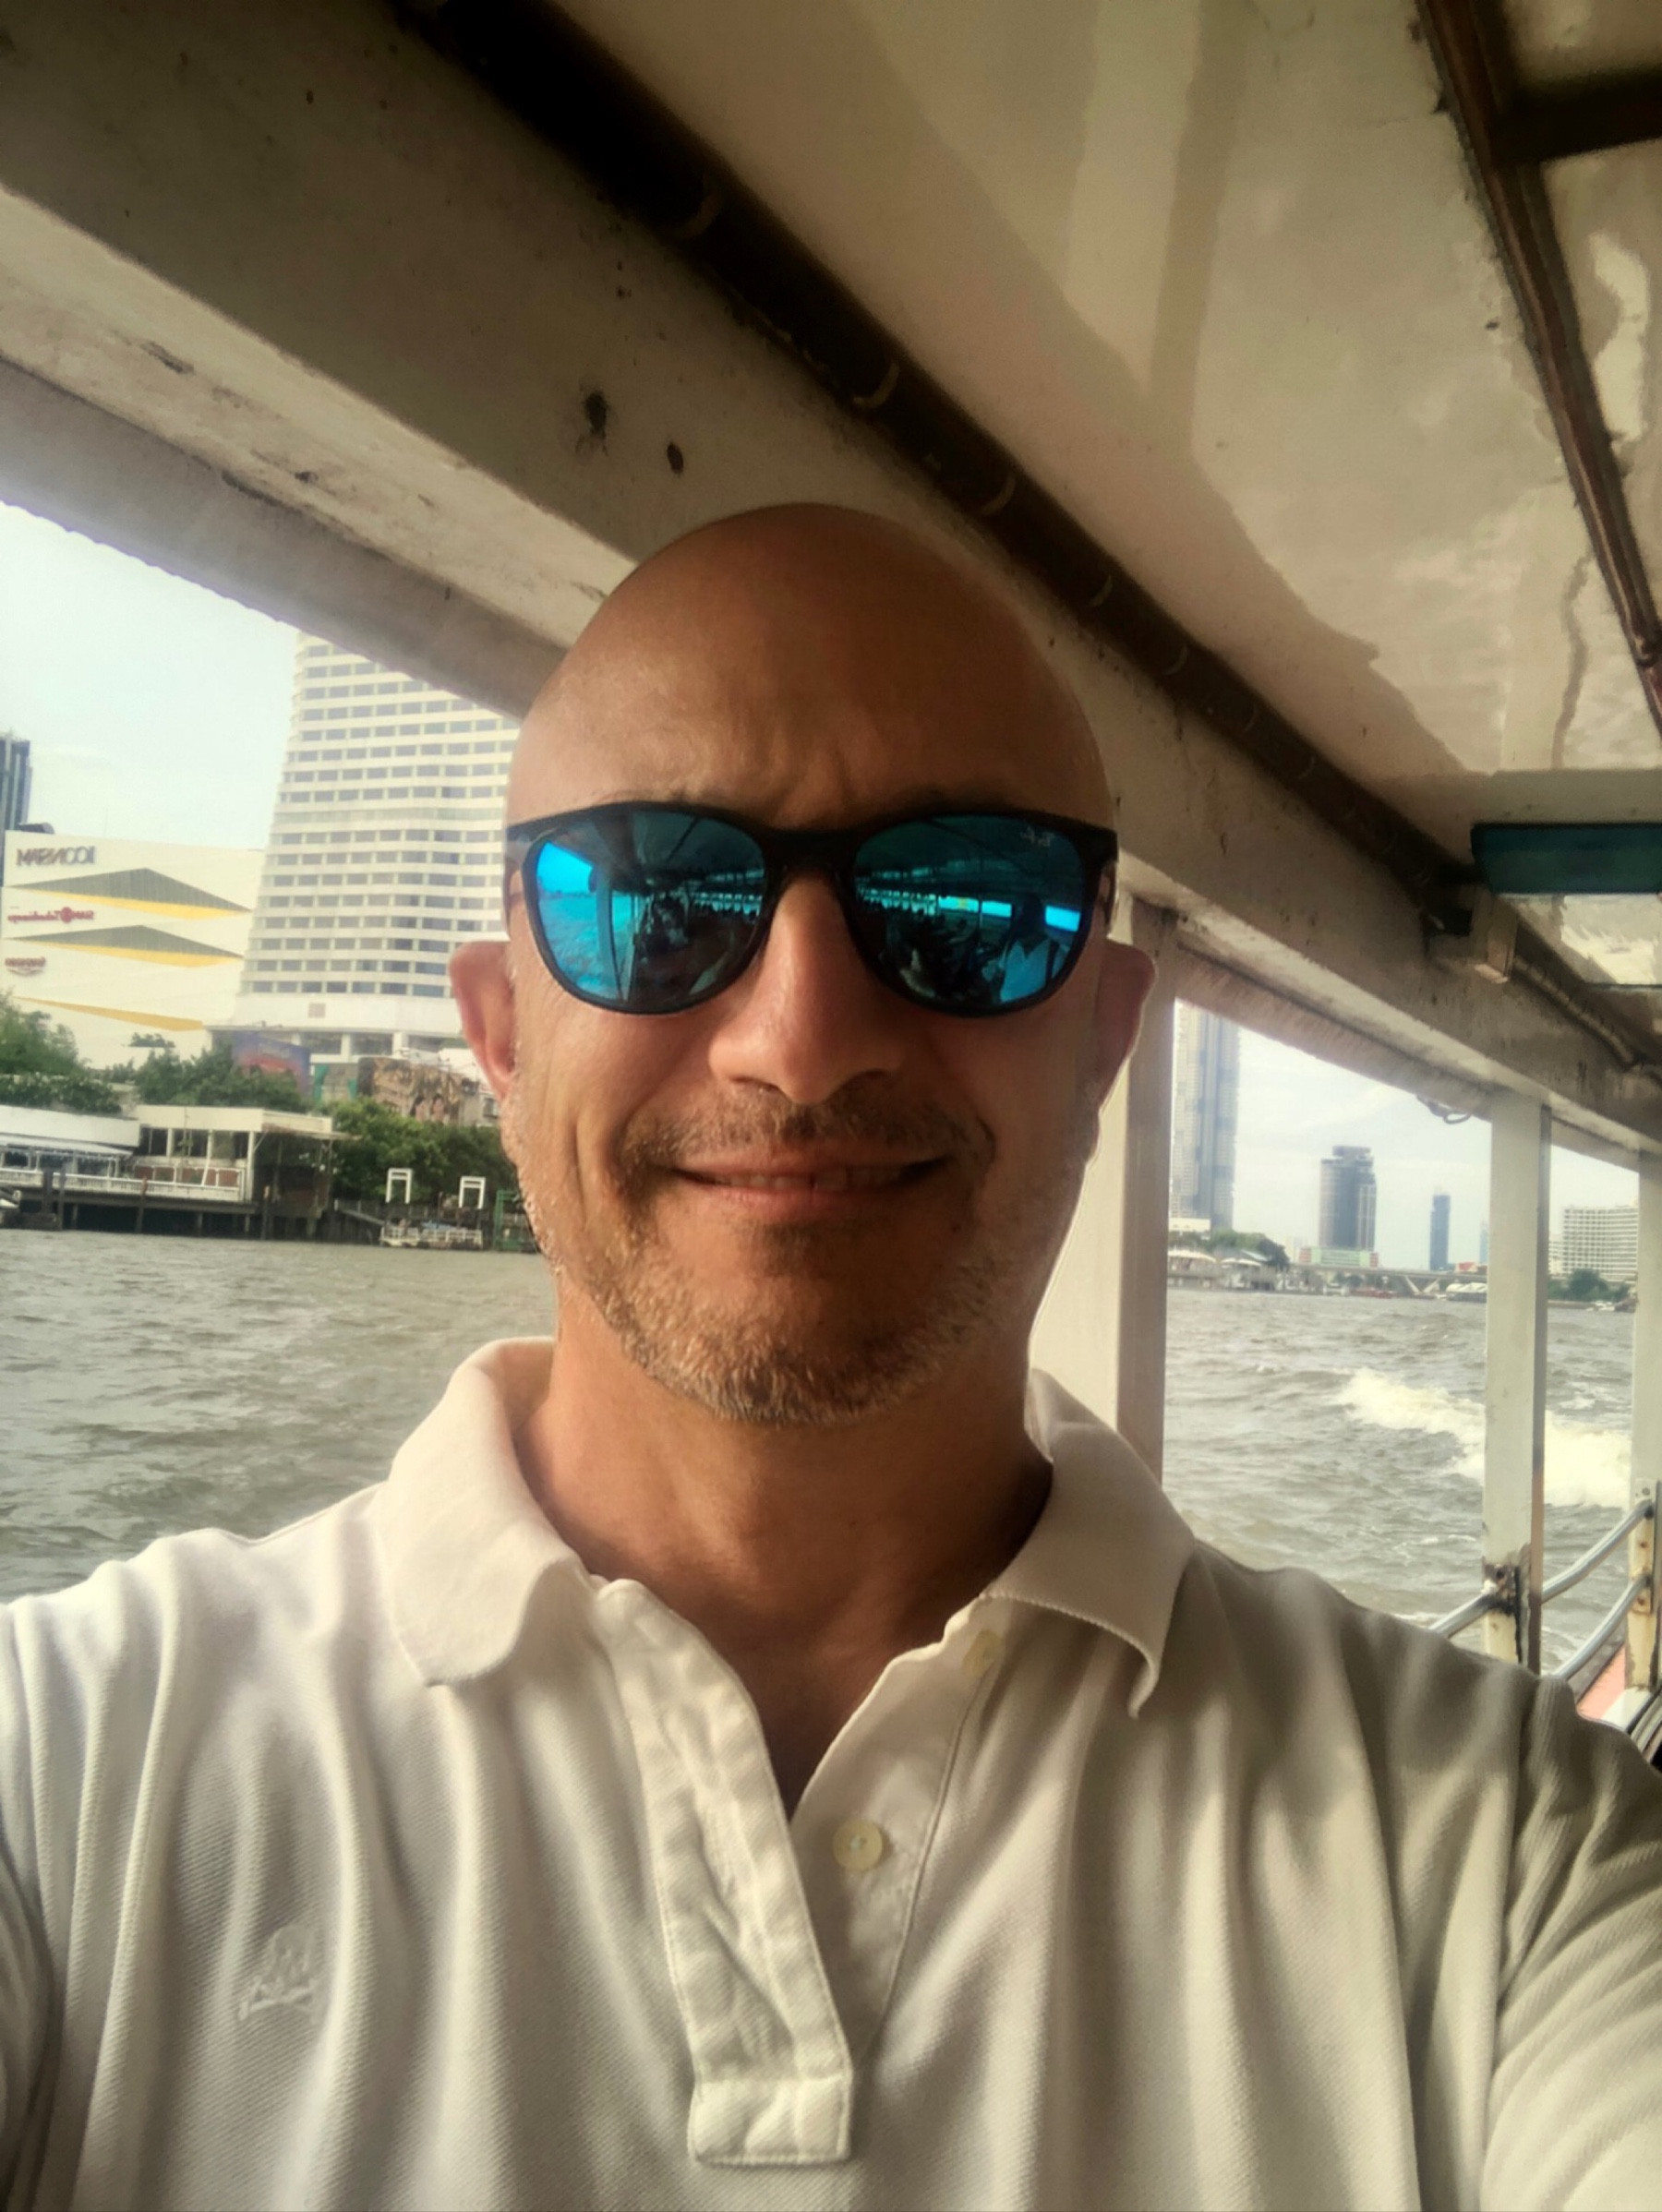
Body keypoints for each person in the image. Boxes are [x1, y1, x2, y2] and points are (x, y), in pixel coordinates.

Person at [1, 505, 1658, 2211]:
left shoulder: (1502, 1849)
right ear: (501, 1033)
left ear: (1100, 1040)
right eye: (659, 902)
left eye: (966, 907)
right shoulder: (67, 1772)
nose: (799, 1043)